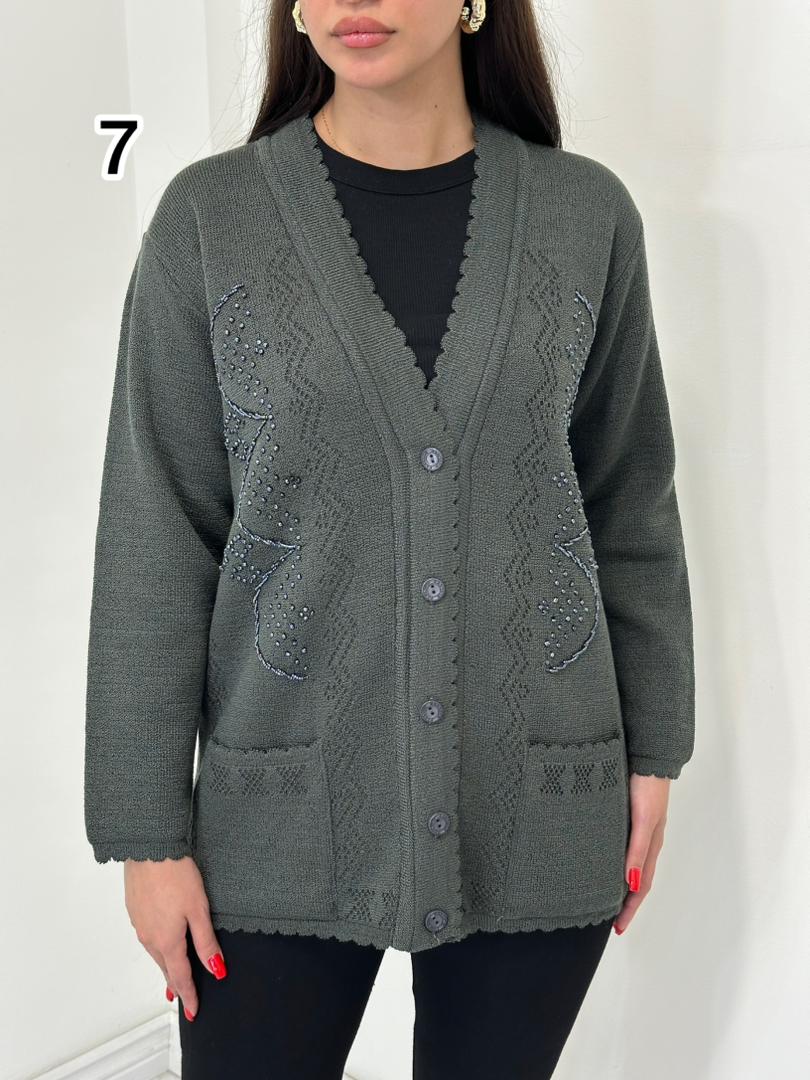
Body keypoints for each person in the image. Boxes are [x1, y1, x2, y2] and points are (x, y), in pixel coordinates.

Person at [84, 1, 695, 1077]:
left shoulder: (586, 216)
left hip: (540, 800)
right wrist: (147, 835)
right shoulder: (209, 220)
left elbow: (629, 503)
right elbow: (155, 536)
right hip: (274, 821)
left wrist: (655, 754)